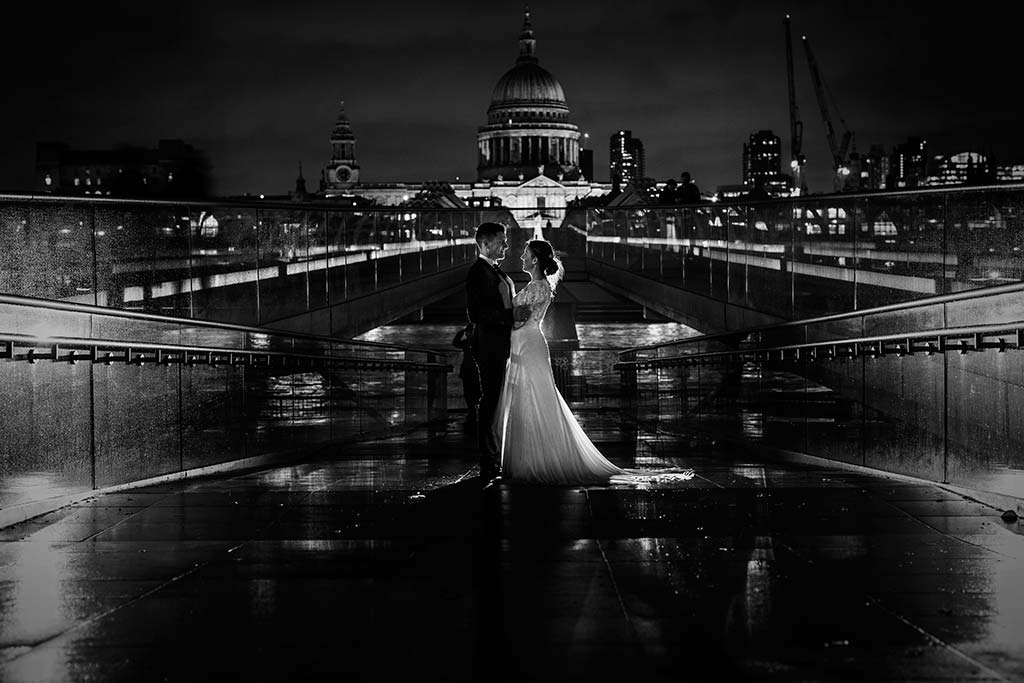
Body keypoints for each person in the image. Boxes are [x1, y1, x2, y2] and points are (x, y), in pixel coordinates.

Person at [493, 239, 695, 486]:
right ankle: (533, 457)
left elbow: (516, 318)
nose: (521, 257)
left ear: (534, 259)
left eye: (525, 253)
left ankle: (528, 460)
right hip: (529, 340)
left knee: (529, 395)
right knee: (535, 396)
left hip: (526, 341)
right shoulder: (541, 286)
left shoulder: (536, 287)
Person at [465, 222, 529, 484]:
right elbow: (477, 314)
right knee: (491, 400)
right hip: (491, 344)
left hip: (500, 342)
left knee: (495, 399)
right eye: (501, 240)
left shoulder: (491, 270)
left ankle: (494, 456)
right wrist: (510, 315)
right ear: (485, 244)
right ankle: (488, 459)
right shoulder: (478, 272)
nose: (506, 244)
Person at [451, 324, 480, 433]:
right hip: (470, 371)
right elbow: (455, 343)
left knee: (471, 392)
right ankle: (474, 412)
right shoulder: (473, 342)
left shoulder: (468, 343)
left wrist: (461, 332)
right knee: (471, 392)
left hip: (471, 370)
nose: (468, 334)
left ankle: (473, 412)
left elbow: (455, 343)